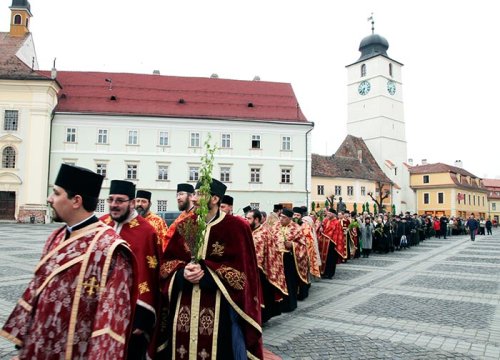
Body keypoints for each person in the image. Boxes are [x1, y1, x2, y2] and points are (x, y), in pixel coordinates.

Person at [1, 164, 136, 359]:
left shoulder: (111, 248)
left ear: (76, 201)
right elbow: (37, 288)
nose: (49, 199)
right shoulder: (55, 236)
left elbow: (111, 320)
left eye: (56, 193)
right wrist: (24, 347)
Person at [158, 178, 263, 359]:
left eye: (199, 194)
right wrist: (182, 273)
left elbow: (245, 273)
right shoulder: (184, 225)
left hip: (221, 308)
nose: (194, 199)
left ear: (214, 199)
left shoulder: (237, 228)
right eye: (194, 194)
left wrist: (208, 273)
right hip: (185, 303)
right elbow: (166, 265)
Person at [101, 180, 160, 360]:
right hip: (101, 309)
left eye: (120, 201)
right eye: (111, 200)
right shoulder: (101, 225)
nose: (114, 205)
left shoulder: (146, 231)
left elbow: (150, 275)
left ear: (132, 203)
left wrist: (141, 318)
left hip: (132, 314)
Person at [246, 208, 287, 323]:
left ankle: (262, 318)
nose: (246, 220)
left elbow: (260, 253)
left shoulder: (263, 232)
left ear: (257, 219)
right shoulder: (250, 231)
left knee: (263, 294)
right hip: (252, 269)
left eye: (249, 218)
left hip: (262, 269)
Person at [272, 208, 309, 309]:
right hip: (276, 259)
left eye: (284, 217)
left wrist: (292, 245)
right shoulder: (275, 226)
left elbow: (303, 245)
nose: (281, 219)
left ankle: (289, 305)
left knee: (289, 282)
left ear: (289, 218)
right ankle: (278, 305)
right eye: (280, 217)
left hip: (289, 259)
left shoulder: (296, 228)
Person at [162, 183, 195, 252]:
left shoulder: (197, 215)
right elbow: (168, 236)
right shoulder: (181, 215)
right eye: (177, 195)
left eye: (181, 194)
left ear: (191, 196)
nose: (178, 198)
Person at [317, 209, 343, 279]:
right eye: (327, 213)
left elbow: (338, 234)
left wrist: (333, 242)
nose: (328, 215)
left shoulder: (337, 222)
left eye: (330, 213)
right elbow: (321, 228)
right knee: (323, 258)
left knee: (330, 260)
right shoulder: (325, 220)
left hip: (332, 244)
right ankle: (323, 272)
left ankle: (330, 274)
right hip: (323, 243)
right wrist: (320, 228)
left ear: (334, 214)